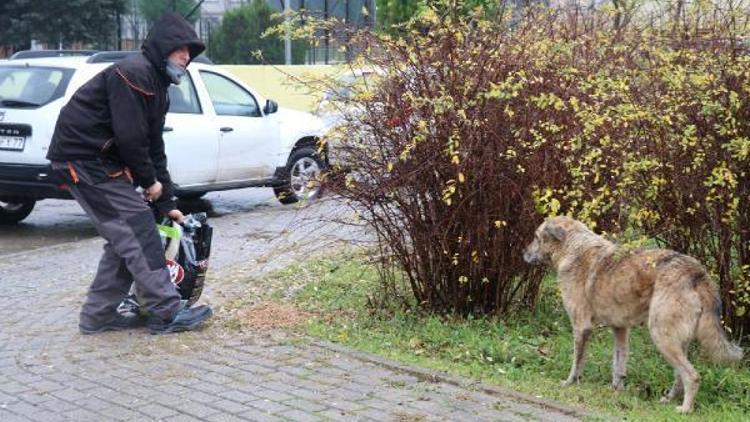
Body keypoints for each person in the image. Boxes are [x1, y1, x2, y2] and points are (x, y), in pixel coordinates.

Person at [47, 12, 213, 335]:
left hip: (98, 161)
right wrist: (149, 182)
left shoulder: (157, 85)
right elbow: (131, 139)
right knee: (137, 226)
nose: (186, 57)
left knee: (125, 236)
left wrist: (167, 201)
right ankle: (166, 311)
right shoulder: (134, 73)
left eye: (190, 52)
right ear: (164, 46)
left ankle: (98, 316)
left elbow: (154, 146)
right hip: (83, 159)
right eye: (181, 49)